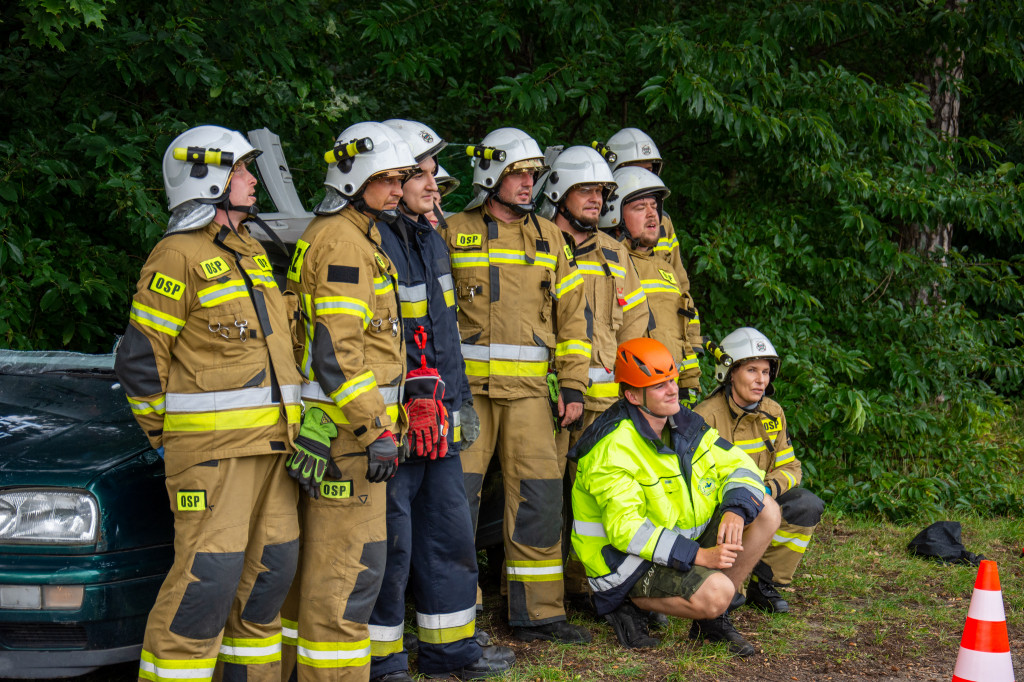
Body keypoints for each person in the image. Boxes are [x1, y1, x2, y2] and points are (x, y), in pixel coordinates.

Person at [114, 125, 302, 682]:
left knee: (269, 577)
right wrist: (170, 439)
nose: (250, 180)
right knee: (206, 583)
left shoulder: (251, 251)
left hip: (276, 449)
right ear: (209, 179)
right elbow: (141, 360)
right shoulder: (176, 256)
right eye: (241, 170)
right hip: (213, 457)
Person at [366, 119, 514, 681]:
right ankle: (383, 662)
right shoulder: (373, 240)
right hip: (396, 425)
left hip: (440, 420)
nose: (434, 185)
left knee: (450, 536)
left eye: (431, 174)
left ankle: (451, 652)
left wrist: (459, 403)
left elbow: (444, 334)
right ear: (392, 178)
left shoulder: (428, 237)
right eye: (422, 174)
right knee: (391, 547)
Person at [443, 127, 593, 644]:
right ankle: (456, 614)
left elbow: (574, 319)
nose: (529, 184)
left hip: (531, 396)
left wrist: (572, 387)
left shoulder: (550, 238)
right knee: (456, 501)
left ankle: (539, 613)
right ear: (490, 176)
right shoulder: (450, 229)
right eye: (517, 174)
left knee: (539, 498)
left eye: (532, 174)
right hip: (467, 395)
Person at [280, 121, 414, 681]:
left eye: (400, 178)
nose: (397, 190)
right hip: (348, 438)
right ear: (355, 179)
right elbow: (338, 351)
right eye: (386, 179)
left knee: (320, 574)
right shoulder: (343, 242)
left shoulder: (354, 235)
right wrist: (373, 429)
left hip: (338, 433)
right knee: (347, 572)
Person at [569, 338, 780, 656]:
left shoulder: (684, 422)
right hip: (626, 564)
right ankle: (632, 604)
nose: (672, 390)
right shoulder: (613, 446)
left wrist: (735, 510)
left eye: (672, 380)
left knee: (766, 509)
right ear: (632, 395)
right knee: (718, 592)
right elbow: (628, 531)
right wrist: (700, 556)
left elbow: (740, 465)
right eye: (658, 385)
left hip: (673, 547)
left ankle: (712, 621)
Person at [538, 145, 650, 600]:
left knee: (598, 503)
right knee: (542, 503)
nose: (595, 199)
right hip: (546, 397)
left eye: (601, 192)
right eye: (585, 189)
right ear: (560, 191)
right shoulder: (537, 242)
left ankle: (588, 587)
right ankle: (536, 599)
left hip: (603, 403)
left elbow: (637, 327)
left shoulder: (614, 254)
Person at [694, 327, 824, 613]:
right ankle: (725, 584)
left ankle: (763, 583)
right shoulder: (705, 416)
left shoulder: (773, 413)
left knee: (806, 505)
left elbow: (790, 467)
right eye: (752, 370)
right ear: (729, 372)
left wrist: (763, 492)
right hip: (721, 507)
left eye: (766, 372)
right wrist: (743, 501)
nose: (761, 380)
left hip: (762, 497)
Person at [602, 127, 702, 401]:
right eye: (635, 169)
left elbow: (679, 296)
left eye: (650, 170)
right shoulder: (597, 241)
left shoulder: (662, 224)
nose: (643, 177)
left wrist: (690, 369)